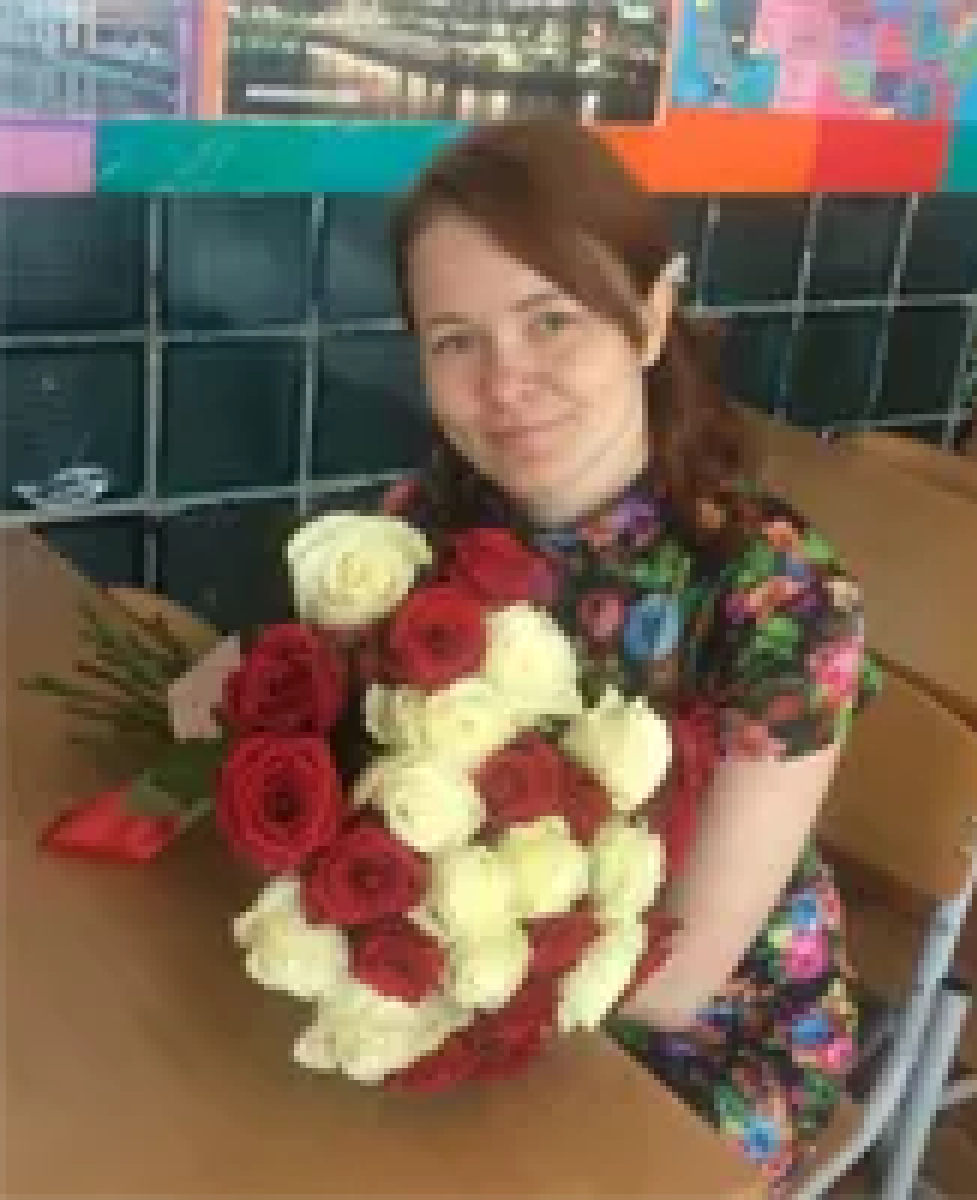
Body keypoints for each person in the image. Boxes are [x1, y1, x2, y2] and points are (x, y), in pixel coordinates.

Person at [169, 116, 879, 1194]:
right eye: (456, 340)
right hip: (452, 984)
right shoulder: (438, 516)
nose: (506, 383)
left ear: (650, 318)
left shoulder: (781, 600)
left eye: (552, 321)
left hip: (690, 1058)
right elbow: (259, 685)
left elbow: (676, 983)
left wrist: (399, 936)